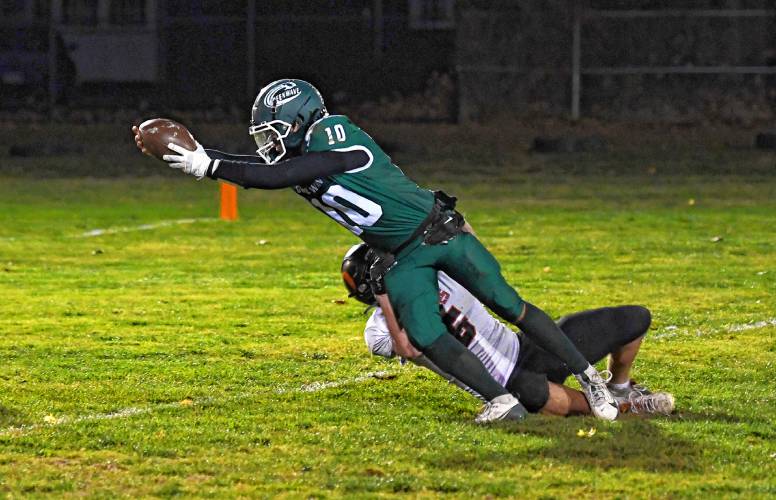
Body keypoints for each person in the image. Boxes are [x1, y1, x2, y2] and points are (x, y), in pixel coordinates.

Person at [132, 78, 618, 423]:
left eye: (275, 131)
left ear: (300, 121)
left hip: (438, 229)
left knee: (508, 304)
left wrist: (208, 164)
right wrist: (204, 160)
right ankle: (501, 401)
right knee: (426, 334)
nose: (269, 143)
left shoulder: (335, 133)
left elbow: (278, 175)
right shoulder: (299, 153)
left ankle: (590, 378)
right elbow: (268, 170)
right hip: (400, 253)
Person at [341, 243, 675, 417]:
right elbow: (410, 348)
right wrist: (387, 297)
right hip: (504, 384)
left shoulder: (435, 273)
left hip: (525, 347)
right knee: (556, 404)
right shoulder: (379, 330)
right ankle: (631, 409)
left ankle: (619, 387)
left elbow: (470, 250)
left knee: (634, 319)